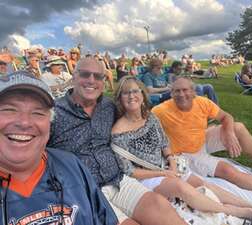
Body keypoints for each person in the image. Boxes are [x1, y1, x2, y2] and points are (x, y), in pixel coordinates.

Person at [111, 76, 252, 223]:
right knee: (182, 187)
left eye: (135, 91)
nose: (132, 96)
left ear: (142, 94)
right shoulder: (119, 130)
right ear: (119, 98)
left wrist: (171, 161)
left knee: (204, 185)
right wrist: (164, 174)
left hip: (168, 165)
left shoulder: (150, 118)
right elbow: (129, 171)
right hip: (148, 175)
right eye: (126, 93)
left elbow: (164, 144)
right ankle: (238, 212)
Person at [48, 58, 187, 225]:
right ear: (74, 77)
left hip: (117, 179)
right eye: (85, 74)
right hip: (84, 190)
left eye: (98, 76)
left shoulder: (108, 106)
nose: (92, 80)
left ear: (103, 81)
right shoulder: (55, 113)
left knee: (161, 208)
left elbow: (132, 125)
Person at [0, 70, 118, 225]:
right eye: (9, 110)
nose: (24, 122)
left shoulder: (70, 164)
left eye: (38, 113)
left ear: (50, 122)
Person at [152, 76, 252, 198]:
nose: (181, 94)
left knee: (237, 127)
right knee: (227, 170)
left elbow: (226, 116)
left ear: (193, 91)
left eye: (185, 90)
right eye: (176, 91)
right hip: (185, 154)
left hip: (201, 140)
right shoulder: (161, 111)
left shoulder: (202, 102)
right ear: (171, 94)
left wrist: (229, 134)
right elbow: (142, 125)